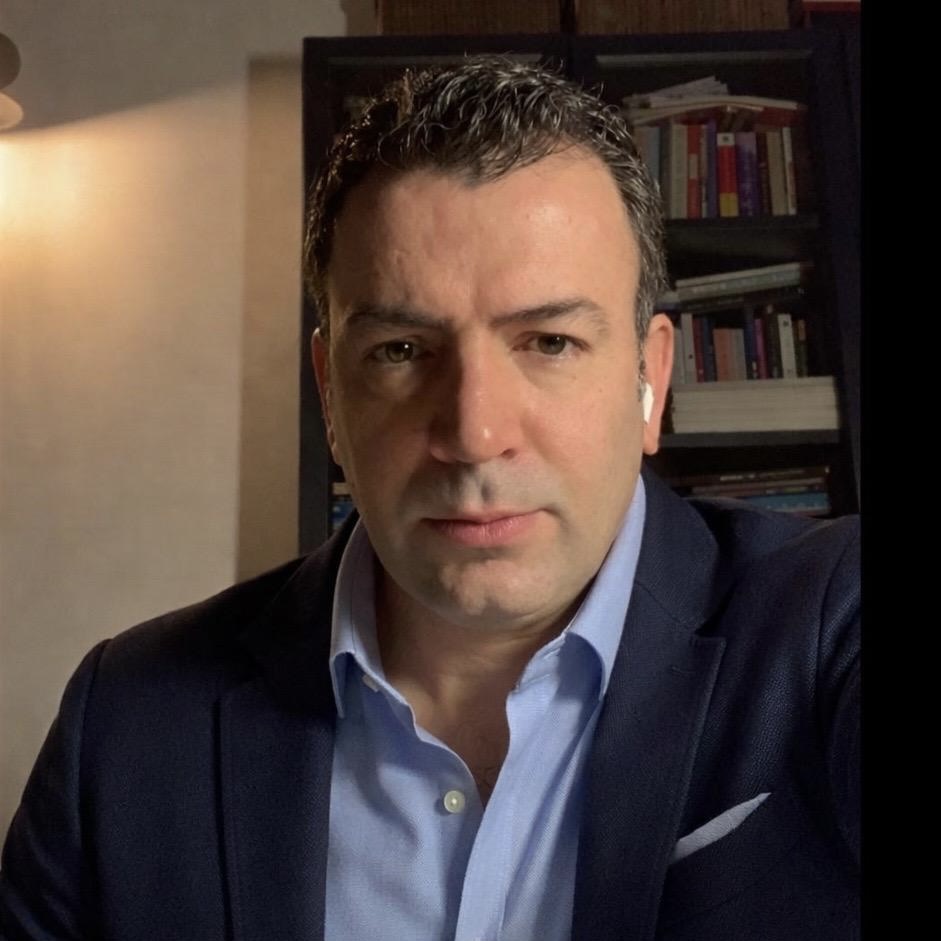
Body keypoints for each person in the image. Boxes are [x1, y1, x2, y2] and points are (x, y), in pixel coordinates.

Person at [0, 57, 859, 940]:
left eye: (549, 342)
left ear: (651, 379)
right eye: (402, 352)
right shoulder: (128, 718)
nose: (474, 432)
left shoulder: (833, 620)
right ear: (329, 394)